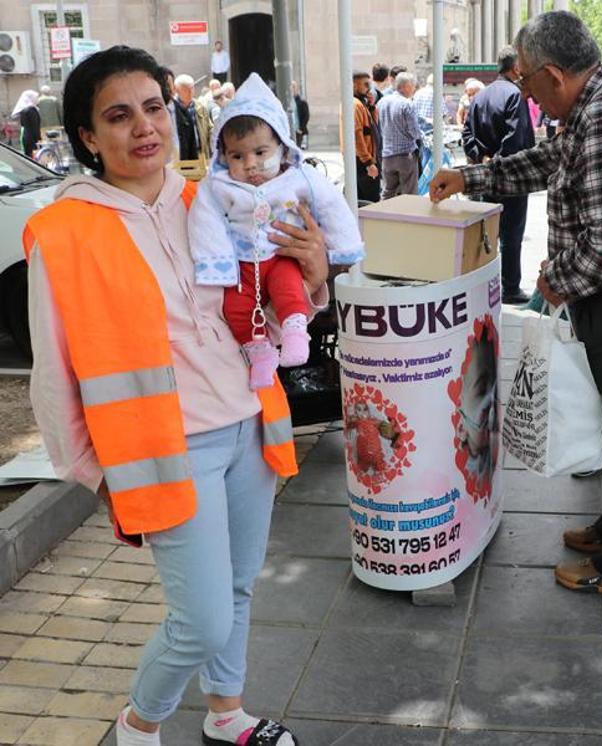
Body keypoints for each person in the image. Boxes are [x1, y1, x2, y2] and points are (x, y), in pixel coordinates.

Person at [24, 45, 330, 746]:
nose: (144, 128)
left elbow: (264, 302)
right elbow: (53, 372)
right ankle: (138, 726)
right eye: (119, 116)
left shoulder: (208, 197)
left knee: (240, 588)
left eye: (155, 108)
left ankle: (228, 717)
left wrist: (313, 274)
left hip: (250, 424)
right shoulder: (63, 230)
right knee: (202, 618)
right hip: (163, 447)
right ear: (87, 137)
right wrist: (91, 472)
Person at [430, 11, 602, 597]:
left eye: (528, 79)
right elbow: (549, 163)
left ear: (555, 75)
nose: (525, 90)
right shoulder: (593, 102)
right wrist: (471, 178)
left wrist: (557, 280)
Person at [189, 73, 364, 390]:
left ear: (282, 149)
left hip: (280, 254)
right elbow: (206, 222)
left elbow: (331, 206)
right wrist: (217, 265)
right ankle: (260, 354)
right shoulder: (217, 186)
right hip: (242, 263)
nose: (251, 165)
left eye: (260, 153)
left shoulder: (298, 177)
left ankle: (296, 330)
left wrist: (344, 245)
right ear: (223, 156)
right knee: (236, 308)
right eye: (237, 156)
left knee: (288, 286)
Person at [462, 45, 535, 305]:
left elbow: (467, 136)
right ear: (516, 68)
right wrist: (496, 162)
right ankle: (510, 287)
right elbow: (516, 140)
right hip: (509, 178)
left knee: (487, 235)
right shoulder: (514, 94)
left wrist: (483, 159)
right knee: (511, 236)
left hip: (484, 176)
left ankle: (485, 286)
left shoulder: (480, 97)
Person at [376, 71, 421, 199]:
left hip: (387, 155)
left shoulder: (382, 102)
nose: (414, 89)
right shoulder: (407, 104)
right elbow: (414, 132)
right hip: (405, 155)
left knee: (388, 192)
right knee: (409, 194)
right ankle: (409, 218)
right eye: (413, 86)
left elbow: (378, 127)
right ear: (406, 86)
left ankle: (383, 217)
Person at [349, 70, 381, 203]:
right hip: (362, 162)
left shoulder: (361, 103)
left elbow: (372, 126)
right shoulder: (355, 104)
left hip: (366, 159)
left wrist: (371, 106)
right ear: (354, 85)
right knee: (369, 201)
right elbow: (357, 135)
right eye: (366, 84)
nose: (369, 88)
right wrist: (368, 162)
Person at [173, 73, 212, 160]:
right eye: (186, 89)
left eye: (192, 88)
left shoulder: (200, 107)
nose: (191, 92)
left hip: (200, 156)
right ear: (176, 90)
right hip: (180, 158)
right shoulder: (172, 109)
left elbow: (209, 129)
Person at [12, 90, 40, 158]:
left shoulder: (24, 110)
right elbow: (35, 127)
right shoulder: (31, 110)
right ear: (31, 99)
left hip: (25, 136)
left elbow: (22, 124)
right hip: (32, 138)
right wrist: (38, 139)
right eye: (36, 98)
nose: (37, 100)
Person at [291, 80, 310, 148]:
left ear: (297, 89)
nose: (292, 89)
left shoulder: (302, 102)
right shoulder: (286, 101)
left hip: (297, 131)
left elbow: (306, 116)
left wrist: (301, 129)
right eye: (291, 87)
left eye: (294, 87)